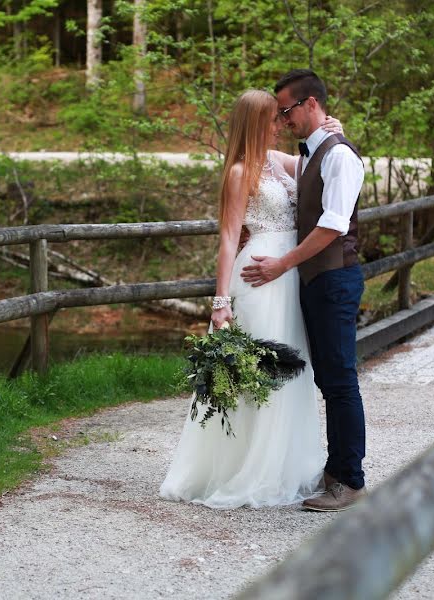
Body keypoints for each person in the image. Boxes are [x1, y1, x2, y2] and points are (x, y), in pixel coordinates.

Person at [158, 89, 345, 509]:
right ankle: (244, 468)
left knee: (291, 370)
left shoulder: (279, 163)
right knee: (259, 373)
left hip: (288, 277)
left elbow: (318, 167)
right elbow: (227, 236)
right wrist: (220, 301)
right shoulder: (240, 171)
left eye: (282, 118)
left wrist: (332, 131)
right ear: (255, 123)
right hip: (257, 278)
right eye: (273, 119)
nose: (281, 124)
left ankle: (282, 466)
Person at [241, 69, 366, 512]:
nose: (283, 118)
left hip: (334, 277)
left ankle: (350, 480)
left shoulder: (338, 156)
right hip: (315, 279)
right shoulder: (313, 152)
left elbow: (333, 223)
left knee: (340, 380)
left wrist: (282, 263)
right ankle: (335, 469)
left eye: (287, 110)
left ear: (311, 104)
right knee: (327, 377)